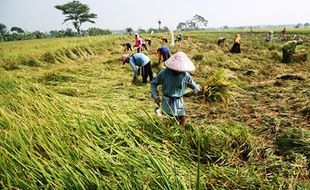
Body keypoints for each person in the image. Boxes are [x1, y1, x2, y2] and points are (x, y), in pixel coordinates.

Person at [151, 51, 201, 125]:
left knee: (182, 121)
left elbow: (194, 86)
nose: (179, 71)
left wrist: (200, 90)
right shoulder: (164, 73)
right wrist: (155, 96)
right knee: (168, 122)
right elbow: (153, 83)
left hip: (179, 102)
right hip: (167, 102)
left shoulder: (186, 76)